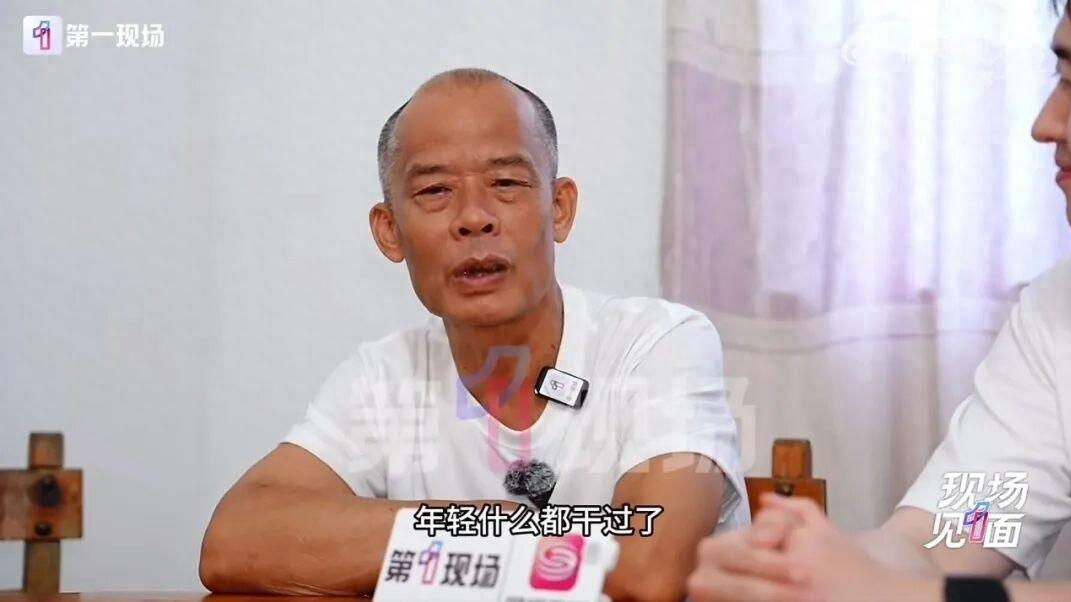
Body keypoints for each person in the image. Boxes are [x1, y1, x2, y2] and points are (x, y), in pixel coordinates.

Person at [199, 68, 750, 601]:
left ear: (559, 208)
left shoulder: (657, 343)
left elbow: (646, 568)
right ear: (390, 232)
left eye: (505, 183)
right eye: (435, 190)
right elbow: (236, 539)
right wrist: (499, 526)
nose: (473, 218)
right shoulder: (384, 376)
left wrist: (434, 547)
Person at [688, 2, 1071, 601]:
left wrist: (896, 594)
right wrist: (807, 564)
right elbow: (954, 533)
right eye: (1061, 78)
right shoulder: (1060, 313)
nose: (1046, 124)